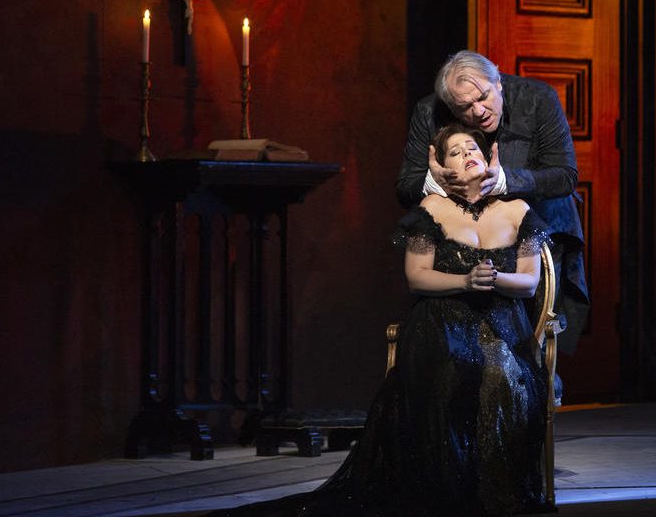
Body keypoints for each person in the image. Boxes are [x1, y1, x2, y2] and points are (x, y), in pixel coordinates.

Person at [210, 123, 552, 516]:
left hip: (502, 323)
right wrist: (464, 281)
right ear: (443, 169)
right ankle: (448, 489)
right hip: (442, 320)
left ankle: (494, 489)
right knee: (452, 367)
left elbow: (529, 282)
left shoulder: (518, 210)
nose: (467, 155)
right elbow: (417, 276)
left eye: (472, 147)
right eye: (455, 153)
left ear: (489, 156)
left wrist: (493, 279)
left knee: (505, 374)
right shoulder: (431, 210)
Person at [397, 50, 588, 354]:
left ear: (498, 81)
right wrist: (434, 182)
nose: (478, 111)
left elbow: (565, 176)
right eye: (464, 107)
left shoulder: (538, 98)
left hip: (533, 236)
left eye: (484, 97)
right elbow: (406, 187)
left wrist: (507, 181)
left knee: (529, 348)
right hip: (460, 245)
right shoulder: (428, 112)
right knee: (456, 350)